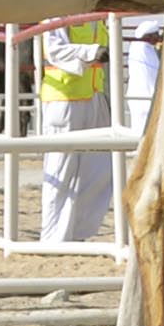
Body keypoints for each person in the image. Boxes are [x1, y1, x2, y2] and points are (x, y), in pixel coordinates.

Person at [35, 19, 112, 245]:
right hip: (65, 98)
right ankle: (53, 239)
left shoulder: (98, 17)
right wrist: (91, 52)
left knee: (100, 168)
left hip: (94, 95)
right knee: (61, 170)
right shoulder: (56, 9)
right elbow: (54, 49)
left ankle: (78, 232)